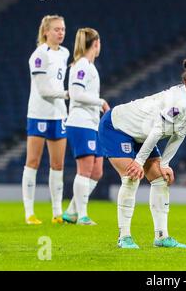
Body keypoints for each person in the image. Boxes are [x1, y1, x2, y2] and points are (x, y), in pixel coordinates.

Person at [98, 57, 186, 249]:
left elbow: (179, 134)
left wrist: (165, 164)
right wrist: (138, 161)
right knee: (131, 177)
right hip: (117, 127)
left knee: (161, 179)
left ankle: (161, 237)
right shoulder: (178, 103)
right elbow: (158, 131)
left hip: (143, 135)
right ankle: (124, 237)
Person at [22, 15, 69, 224]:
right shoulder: (39, 56)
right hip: (38, 114)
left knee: (57, 164)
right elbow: (43, 90)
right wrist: (67, 95)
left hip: (58, 115)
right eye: (57, 29)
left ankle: (57, 213)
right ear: (46, 32)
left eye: (63, 29)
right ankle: (29, 213)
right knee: (32, 162)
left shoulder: (65, 53)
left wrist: (65, 99)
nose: (61, 33)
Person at [62, 28, 110, 225]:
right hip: (80, 122)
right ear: (96, 43)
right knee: (85, 169)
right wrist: (100, 102)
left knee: (97, 171)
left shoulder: (89, 66)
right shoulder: (81, 66)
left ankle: (72, 211)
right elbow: (75, 93)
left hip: (91, 123)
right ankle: (82, 215)